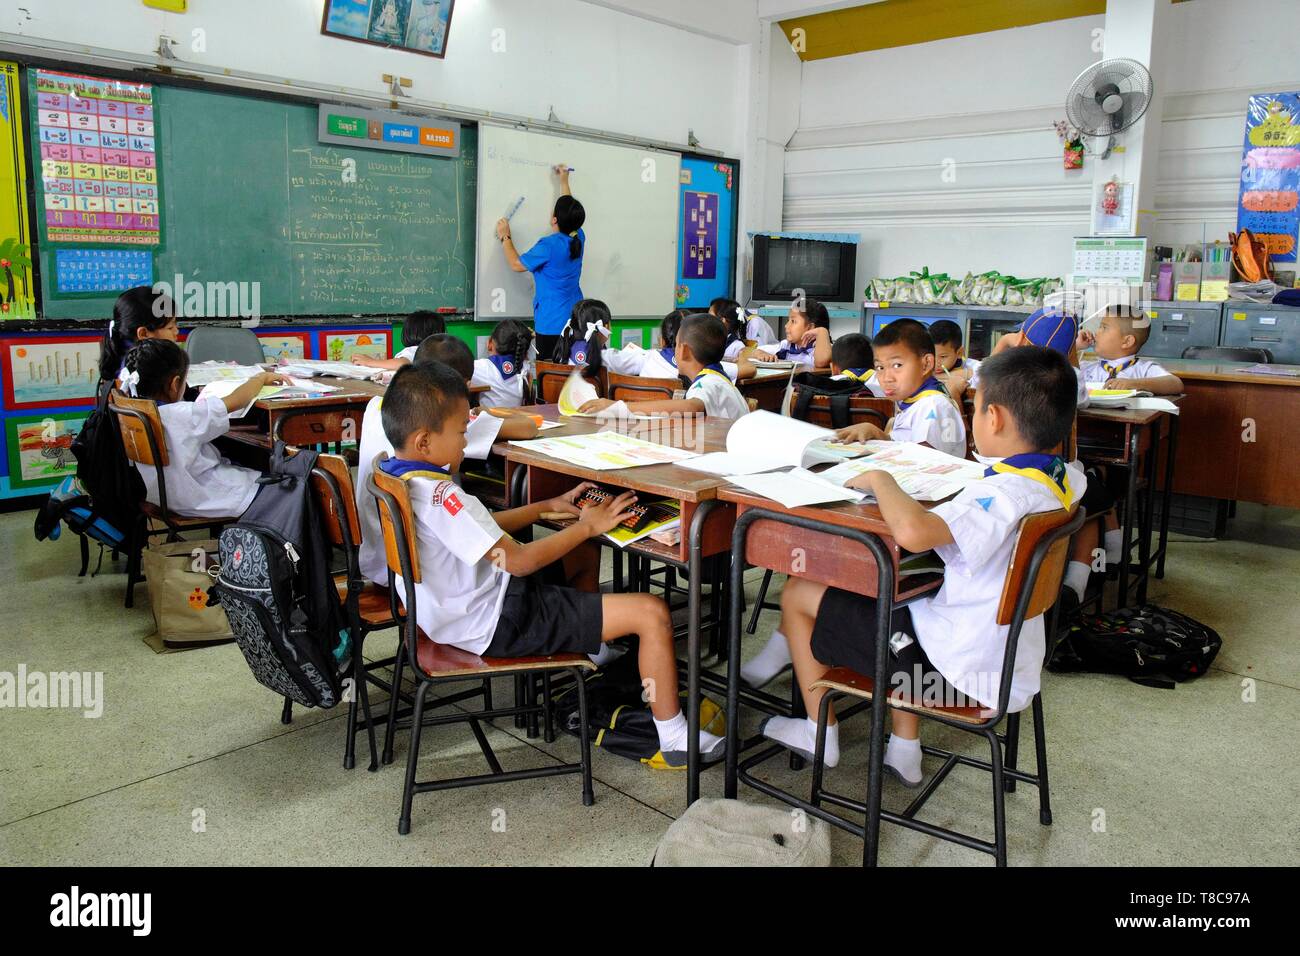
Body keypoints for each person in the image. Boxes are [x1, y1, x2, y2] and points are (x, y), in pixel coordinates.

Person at [757, 346, 1086, 784]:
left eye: (975, 407)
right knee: (901, 596)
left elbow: (913, 533)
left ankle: (820, 732)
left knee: (799, 592)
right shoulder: (1063, 478)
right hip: (1007, 660)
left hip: (952, 670)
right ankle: (904, 750)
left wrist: (881, 480)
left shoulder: (1003, 495)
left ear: (996, 419)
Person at [375, 362, 726, 765]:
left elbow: (478, 529)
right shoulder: (445, 496)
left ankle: (592, 649)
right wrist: (587, 525)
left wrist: (543, 508)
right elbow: (520, 561)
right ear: (423, 441)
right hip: (494, 621)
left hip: (452, 610)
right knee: (652, 613)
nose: (465, 440)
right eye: (460, 432)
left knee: (582, 552)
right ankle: (674, 736)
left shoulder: (399, 476)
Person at [356, 334, 538, 588]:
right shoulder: (446, 422)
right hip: (428, 576)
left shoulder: (379, 405)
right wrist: (482, 413)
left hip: (382, 561)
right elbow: (528, 427)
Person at [120, 338, 289, 519]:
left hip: (164, 496)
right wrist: (260, 378)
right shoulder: (178, 415)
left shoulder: (133, 411)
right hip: (202, 497)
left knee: (251, 469)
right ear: (175, 384)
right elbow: (236, 400)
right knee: (286, 487)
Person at [832, 318, 966, 459]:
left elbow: (924, 460)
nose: (886, 378)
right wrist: (879, 434)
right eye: (880, 367)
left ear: (926, 364)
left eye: (897, 365)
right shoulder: (911, 400)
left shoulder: (933, 405)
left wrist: (881, 436)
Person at [578, 314, 749, 419]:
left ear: (684, 351)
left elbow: (691, 406)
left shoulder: (707, 383)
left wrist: (618, 407)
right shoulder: (717, 377)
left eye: (676, 344)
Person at [496, 165, 585, 360]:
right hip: (575, 320)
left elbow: (516, 265)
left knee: (550, 377)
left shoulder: (549, 246)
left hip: (551, 323)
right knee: (569, 373)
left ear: (554, 220)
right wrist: (564, 181)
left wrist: (505, 237)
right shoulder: (578, 237)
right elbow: (570, 213)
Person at [1077, 309, 1184, 394]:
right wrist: (1074, 346)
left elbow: (1176, 384)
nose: (1096, 332)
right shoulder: (1086, 368)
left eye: (1104, 328)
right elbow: (1061, 371)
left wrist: (1135, 384)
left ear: (1127, 341)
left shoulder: (1143, 370)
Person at [98, 286, 178, 385]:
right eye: (170, 328)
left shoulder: (122, 354)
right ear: (143, 334)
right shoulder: (147, 369)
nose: (176, 331)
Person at [353, 310, 446, 371]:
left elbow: (402, 364)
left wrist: (370, 362)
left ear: (409, 332)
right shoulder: (441, 352)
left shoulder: (415, 350)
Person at [751, 297, 832, 367]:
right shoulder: (786, 346)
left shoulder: (824, 349)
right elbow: (750, 351)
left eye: (793, 321)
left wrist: (822, 332)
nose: (786, 325)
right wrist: (760, 354)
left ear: (810, 327)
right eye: (788, 320)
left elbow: (821, 361)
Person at [472, 319, 533, 409]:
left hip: (491, 421)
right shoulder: (525, 367)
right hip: (518, 421)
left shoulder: (481, 367)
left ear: (489, 343)